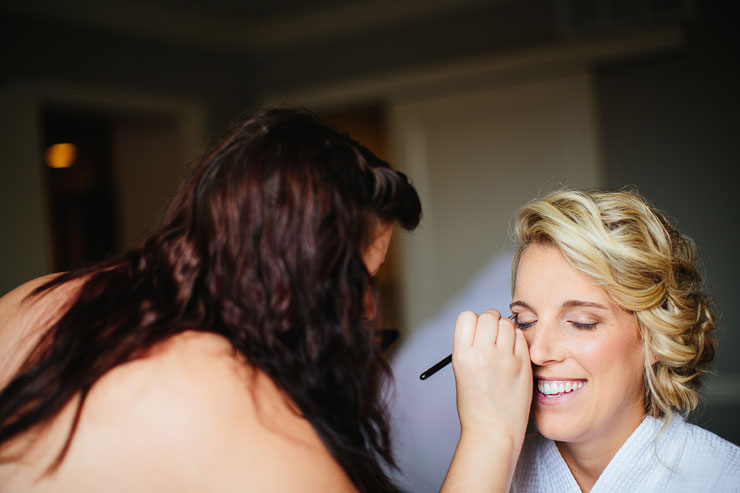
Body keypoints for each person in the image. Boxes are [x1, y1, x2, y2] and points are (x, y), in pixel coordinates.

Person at [0, 107, 425, 491]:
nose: (368, 309)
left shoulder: (33, 298)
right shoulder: (229, 394)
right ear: (289, 272)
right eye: (357, 281)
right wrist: (488, 425)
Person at [451, 189, 740, 492]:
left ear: (656, 336)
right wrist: (485, 436)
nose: (537, 351)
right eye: (526, 322)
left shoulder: (724, 478)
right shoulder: (488, 468)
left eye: (581, 323)